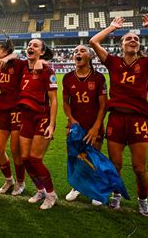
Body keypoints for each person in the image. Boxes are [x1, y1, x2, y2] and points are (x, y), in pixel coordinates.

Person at [89, 14, 148, 216]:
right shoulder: (112, 62)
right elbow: (93, 41)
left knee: (139, 168)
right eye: (128, 38)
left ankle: (142, 200)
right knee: (115, 165)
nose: (133, 40)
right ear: (121, 44)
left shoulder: (146, 63)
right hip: (117, 120)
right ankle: (116, 195)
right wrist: (112, 27)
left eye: (136, 39)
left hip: (138, 121)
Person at [62, 45, 107, 205]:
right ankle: (77, 187)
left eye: (82, 51)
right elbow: (65, 103)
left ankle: (95, 189)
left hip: (94, 125)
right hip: (75, 126)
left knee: (93, 158)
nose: (77, 53)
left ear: (90, 56)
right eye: (75, 51)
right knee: (75, 157)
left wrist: (96, 127)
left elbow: (103, 106)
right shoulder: (67, 78)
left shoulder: (99, 78)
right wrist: (71, 119)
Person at [19, 39, 58, 210]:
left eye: (35, 45)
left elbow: (54, 100)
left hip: (42, 117)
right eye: (29, 45)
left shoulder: (47, 70)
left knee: (35, 159)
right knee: (25, 159)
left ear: (42, 52)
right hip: (26, 117)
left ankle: (51, 194)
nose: (30, 47)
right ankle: (40, 190)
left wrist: (52, 124)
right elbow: (12, 56)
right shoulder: (22, 68)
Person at [0, 39, 27, 196]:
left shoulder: (17, 64)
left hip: (17, 110)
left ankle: (20, 182)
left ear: (5, 52)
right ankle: (9, 179)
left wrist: (8, 57)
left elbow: (19, 54)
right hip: (2, 109)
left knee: (15, 150)